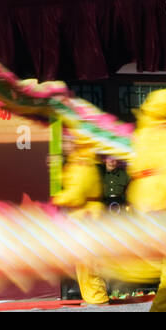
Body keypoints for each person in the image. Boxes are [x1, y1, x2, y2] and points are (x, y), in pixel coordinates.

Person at [111, 88, 166, 312]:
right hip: (163, 202)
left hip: (148, 199)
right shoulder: (165, 132)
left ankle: (121, 266)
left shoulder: (144, 131)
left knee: (164, 260)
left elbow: (139, 166)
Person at [51, 127, 109, 305]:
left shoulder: (83, 163)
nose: (64, 146)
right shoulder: (77, 162)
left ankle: (98, 298)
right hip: (82, 216)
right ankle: (92, 296)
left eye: (66, 142)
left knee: (88, 261)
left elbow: (77, 193)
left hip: (87, 216)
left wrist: (58, 199)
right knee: (83, 262)